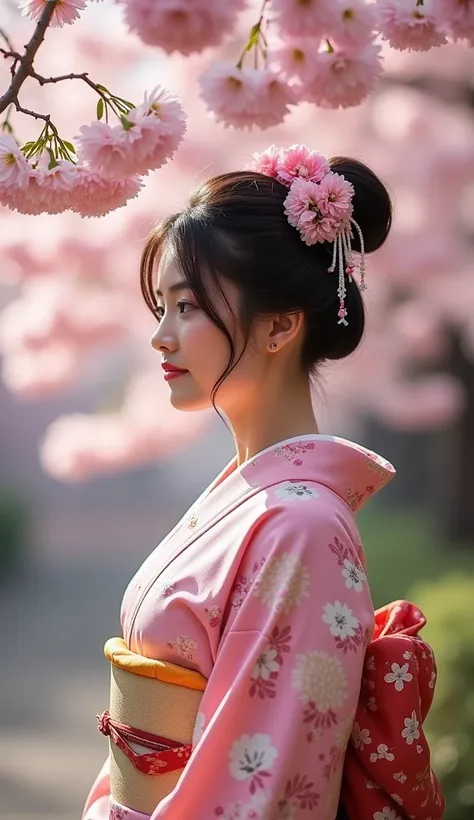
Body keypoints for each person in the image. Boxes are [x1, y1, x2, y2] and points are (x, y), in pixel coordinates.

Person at [82, 145, 444, 820]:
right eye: (161, 307)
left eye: (187, 307)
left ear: (280, 324)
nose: (161, 337)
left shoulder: (301, 527)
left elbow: (266, 792)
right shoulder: (257, 497)